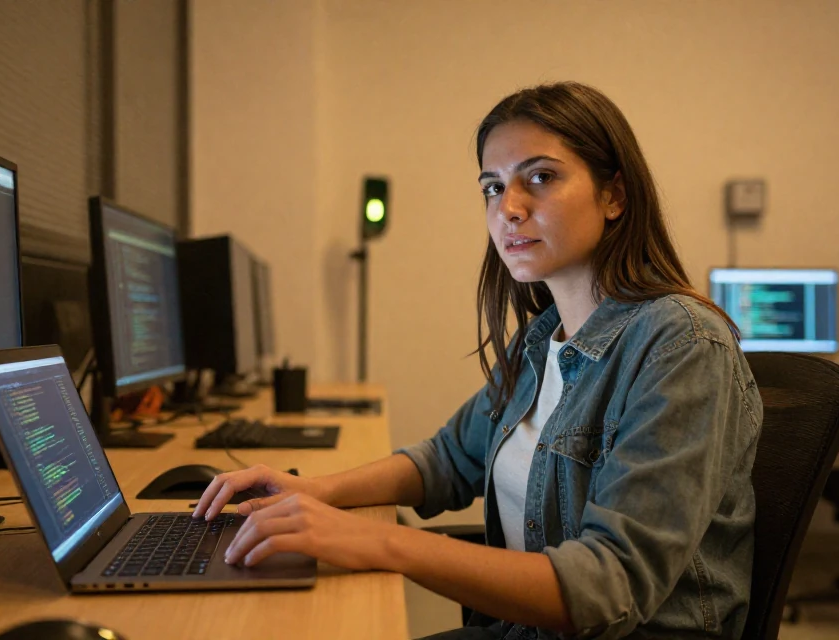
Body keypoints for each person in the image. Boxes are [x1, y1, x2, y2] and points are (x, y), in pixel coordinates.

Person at [193, 82, 763, 639]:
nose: (508, 209)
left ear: (614, 195)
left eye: (540, 177)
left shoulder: (682, 346)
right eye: (493, 187)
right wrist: (316, 492)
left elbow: (608, 587)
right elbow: (447, 459)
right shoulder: (543, 339)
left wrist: (381, 543)